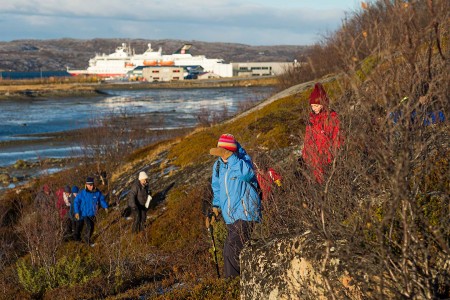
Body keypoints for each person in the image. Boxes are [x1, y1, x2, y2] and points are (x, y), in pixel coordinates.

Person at [209, 133, 261, 278]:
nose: (222, 155)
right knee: (229, 251)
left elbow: (247, 174)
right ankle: (239, 283)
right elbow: (217, 187)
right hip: (230, 216)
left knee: (232, 250)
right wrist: (216, 207)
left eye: (224, 152)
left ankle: (233, 284)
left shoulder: (242, 161)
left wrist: (231, 157)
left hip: (246, 212)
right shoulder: (219, 165)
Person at [301, 82, 342, 184]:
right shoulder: (311, 120)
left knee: (328, 183)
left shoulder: (332, 118)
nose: (314, 108)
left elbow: (337, 137)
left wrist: (333, 155)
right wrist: (305, 155)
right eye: (312, 106)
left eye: (316, 105)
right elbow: (307, 139)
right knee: (317, 184)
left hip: (327, 158)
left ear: (323, 104)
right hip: (314, 159)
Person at [73, 177, 108, 245]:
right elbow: (76, 202)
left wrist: (105, 207)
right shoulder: (82, 193)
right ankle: (87, 241)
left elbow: (101, 200)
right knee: (89, 226)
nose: (91, 186)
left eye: (92, 185)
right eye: (89, 185)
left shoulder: (97, 192)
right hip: (85, 214)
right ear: (86, 185)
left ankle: (86, 237)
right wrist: (77, 212)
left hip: (93, 213)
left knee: (92, 228)